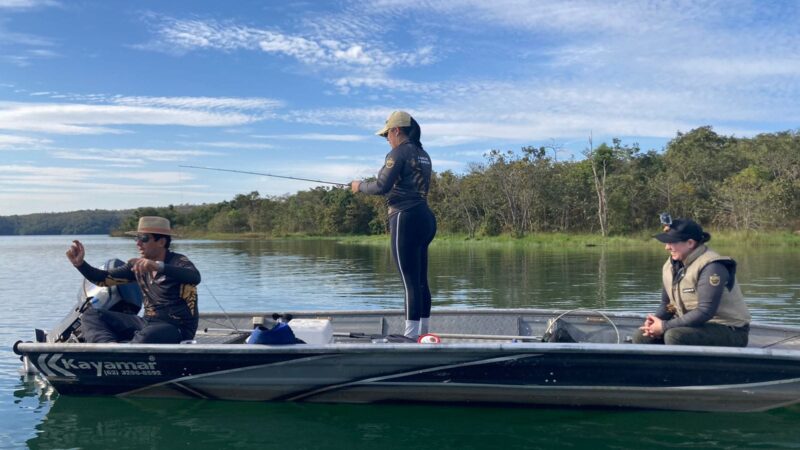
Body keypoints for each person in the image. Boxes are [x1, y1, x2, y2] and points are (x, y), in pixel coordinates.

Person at [350, 110, 437, 340]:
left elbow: (381, 186)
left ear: (397, 130)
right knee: (420, 280)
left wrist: (359, 186)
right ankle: (424, 334)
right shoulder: (424, 154)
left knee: (409, 281)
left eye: (387, 134)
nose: (387, 139)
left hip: (404, 217)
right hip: (425, 218)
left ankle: (411, 337)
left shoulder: (397, 153)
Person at [66, 216, 201, 343]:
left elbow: (194, 277)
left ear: (161, 242)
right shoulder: (137, 266)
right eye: (137, 238)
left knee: (147, 336)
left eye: (144, 238)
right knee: (91, 315)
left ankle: (128, 351)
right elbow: (102, 279)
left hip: (176, 328)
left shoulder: (178, 261)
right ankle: (109, 349)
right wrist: (80, 264)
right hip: (146, 322)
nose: (138, 243)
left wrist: (158, 266)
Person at [634, 214, 750, 347]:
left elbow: (705, 311)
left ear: (690, 243)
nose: (667, 247)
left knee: (675, 336)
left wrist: (665, 326)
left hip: (730, 330)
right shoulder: (671, 265)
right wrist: (655, 322)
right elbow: (668, 305)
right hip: (693, 326)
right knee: (642, 336)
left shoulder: (712, 266)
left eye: (672, 242)